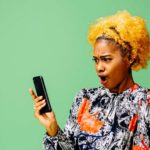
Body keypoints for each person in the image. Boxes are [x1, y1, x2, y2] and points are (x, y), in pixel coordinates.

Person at [29, 11, 150, 150]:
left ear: (130, 58)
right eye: (96, 60)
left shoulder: (145, 103)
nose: (99, 67)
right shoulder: (85, 98)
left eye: (106, 59)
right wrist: (52, 128)